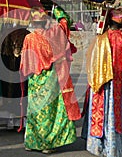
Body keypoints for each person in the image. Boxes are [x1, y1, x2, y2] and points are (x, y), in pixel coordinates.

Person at [81, 7, 122, 157]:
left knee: (106, 110)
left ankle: (104, 145)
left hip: (106, 83)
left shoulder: (101, 39)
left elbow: (93, 64)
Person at [20, 8, 81, 154]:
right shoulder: (53, 35)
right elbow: (66, 22)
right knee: (51, 111)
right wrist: (58, 9)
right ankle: (48, 143)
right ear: (46, 21)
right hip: (51, 79)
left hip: (35, 80)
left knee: (35, 111)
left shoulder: (29, 38)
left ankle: (32, 142)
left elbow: (24, 63)